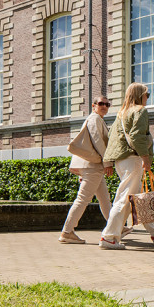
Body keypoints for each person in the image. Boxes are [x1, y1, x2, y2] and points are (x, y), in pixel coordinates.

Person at [99, 82, 154, 250]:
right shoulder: (140, 111)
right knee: (124, 199)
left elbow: (111, 140)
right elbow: (137, 136)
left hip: (121, 160)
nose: (148, 97)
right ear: (140, 95)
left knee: (135, 199)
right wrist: (145, 158)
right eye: (147, 94)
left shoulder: (121, 114)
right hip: (132, 159)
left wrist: (108, 162)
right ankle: (109, 237)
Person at [59, 96, 116, 244]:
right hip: (93, 166)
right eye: (101, 104)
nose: (104, 106)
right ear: (94, 105)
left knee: (104, 199)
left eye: (107, 104)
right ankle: (67, 231)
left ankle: (116, 227)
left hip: (91, 166)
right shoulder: (95, 119)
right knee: (83, 199)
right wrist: (108, 162)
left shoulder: (96, 119)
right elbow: (97, 141)